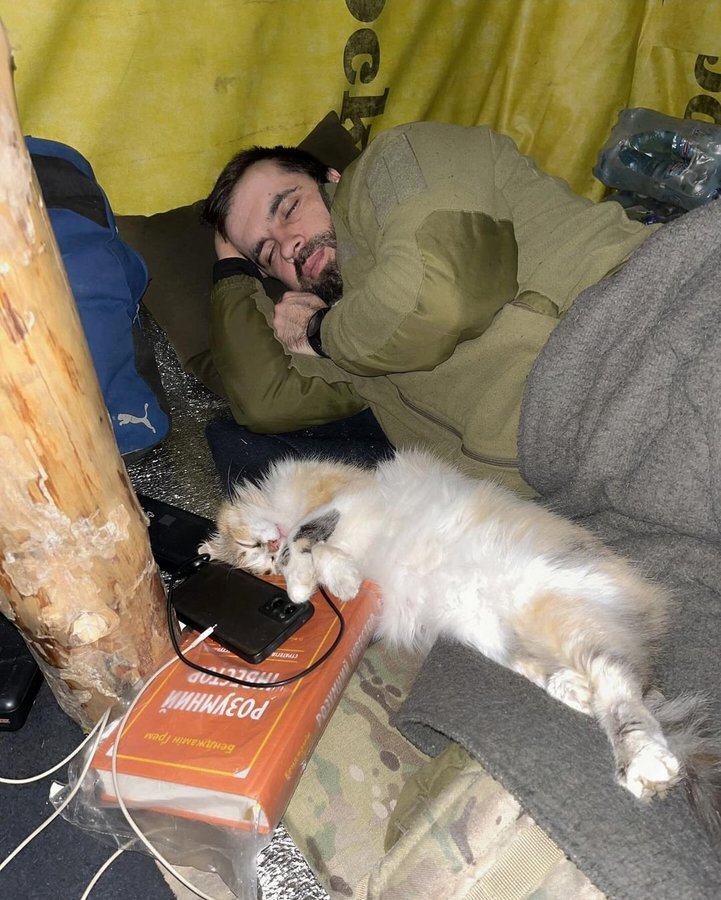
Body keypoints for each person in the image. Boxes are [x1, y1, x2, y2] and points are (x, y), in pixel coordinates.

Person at [201, 121, 656, 495]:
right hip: (589, 472)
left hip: (644, 329)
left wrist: (319, 332)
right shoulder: (352, 327)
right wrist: (232, 271)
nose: (290, 244)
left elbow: (442, 298)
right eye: (267, 253)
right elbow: (264, 402)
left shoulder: (399, 157)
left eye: (289, 207)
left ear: (331, 178)